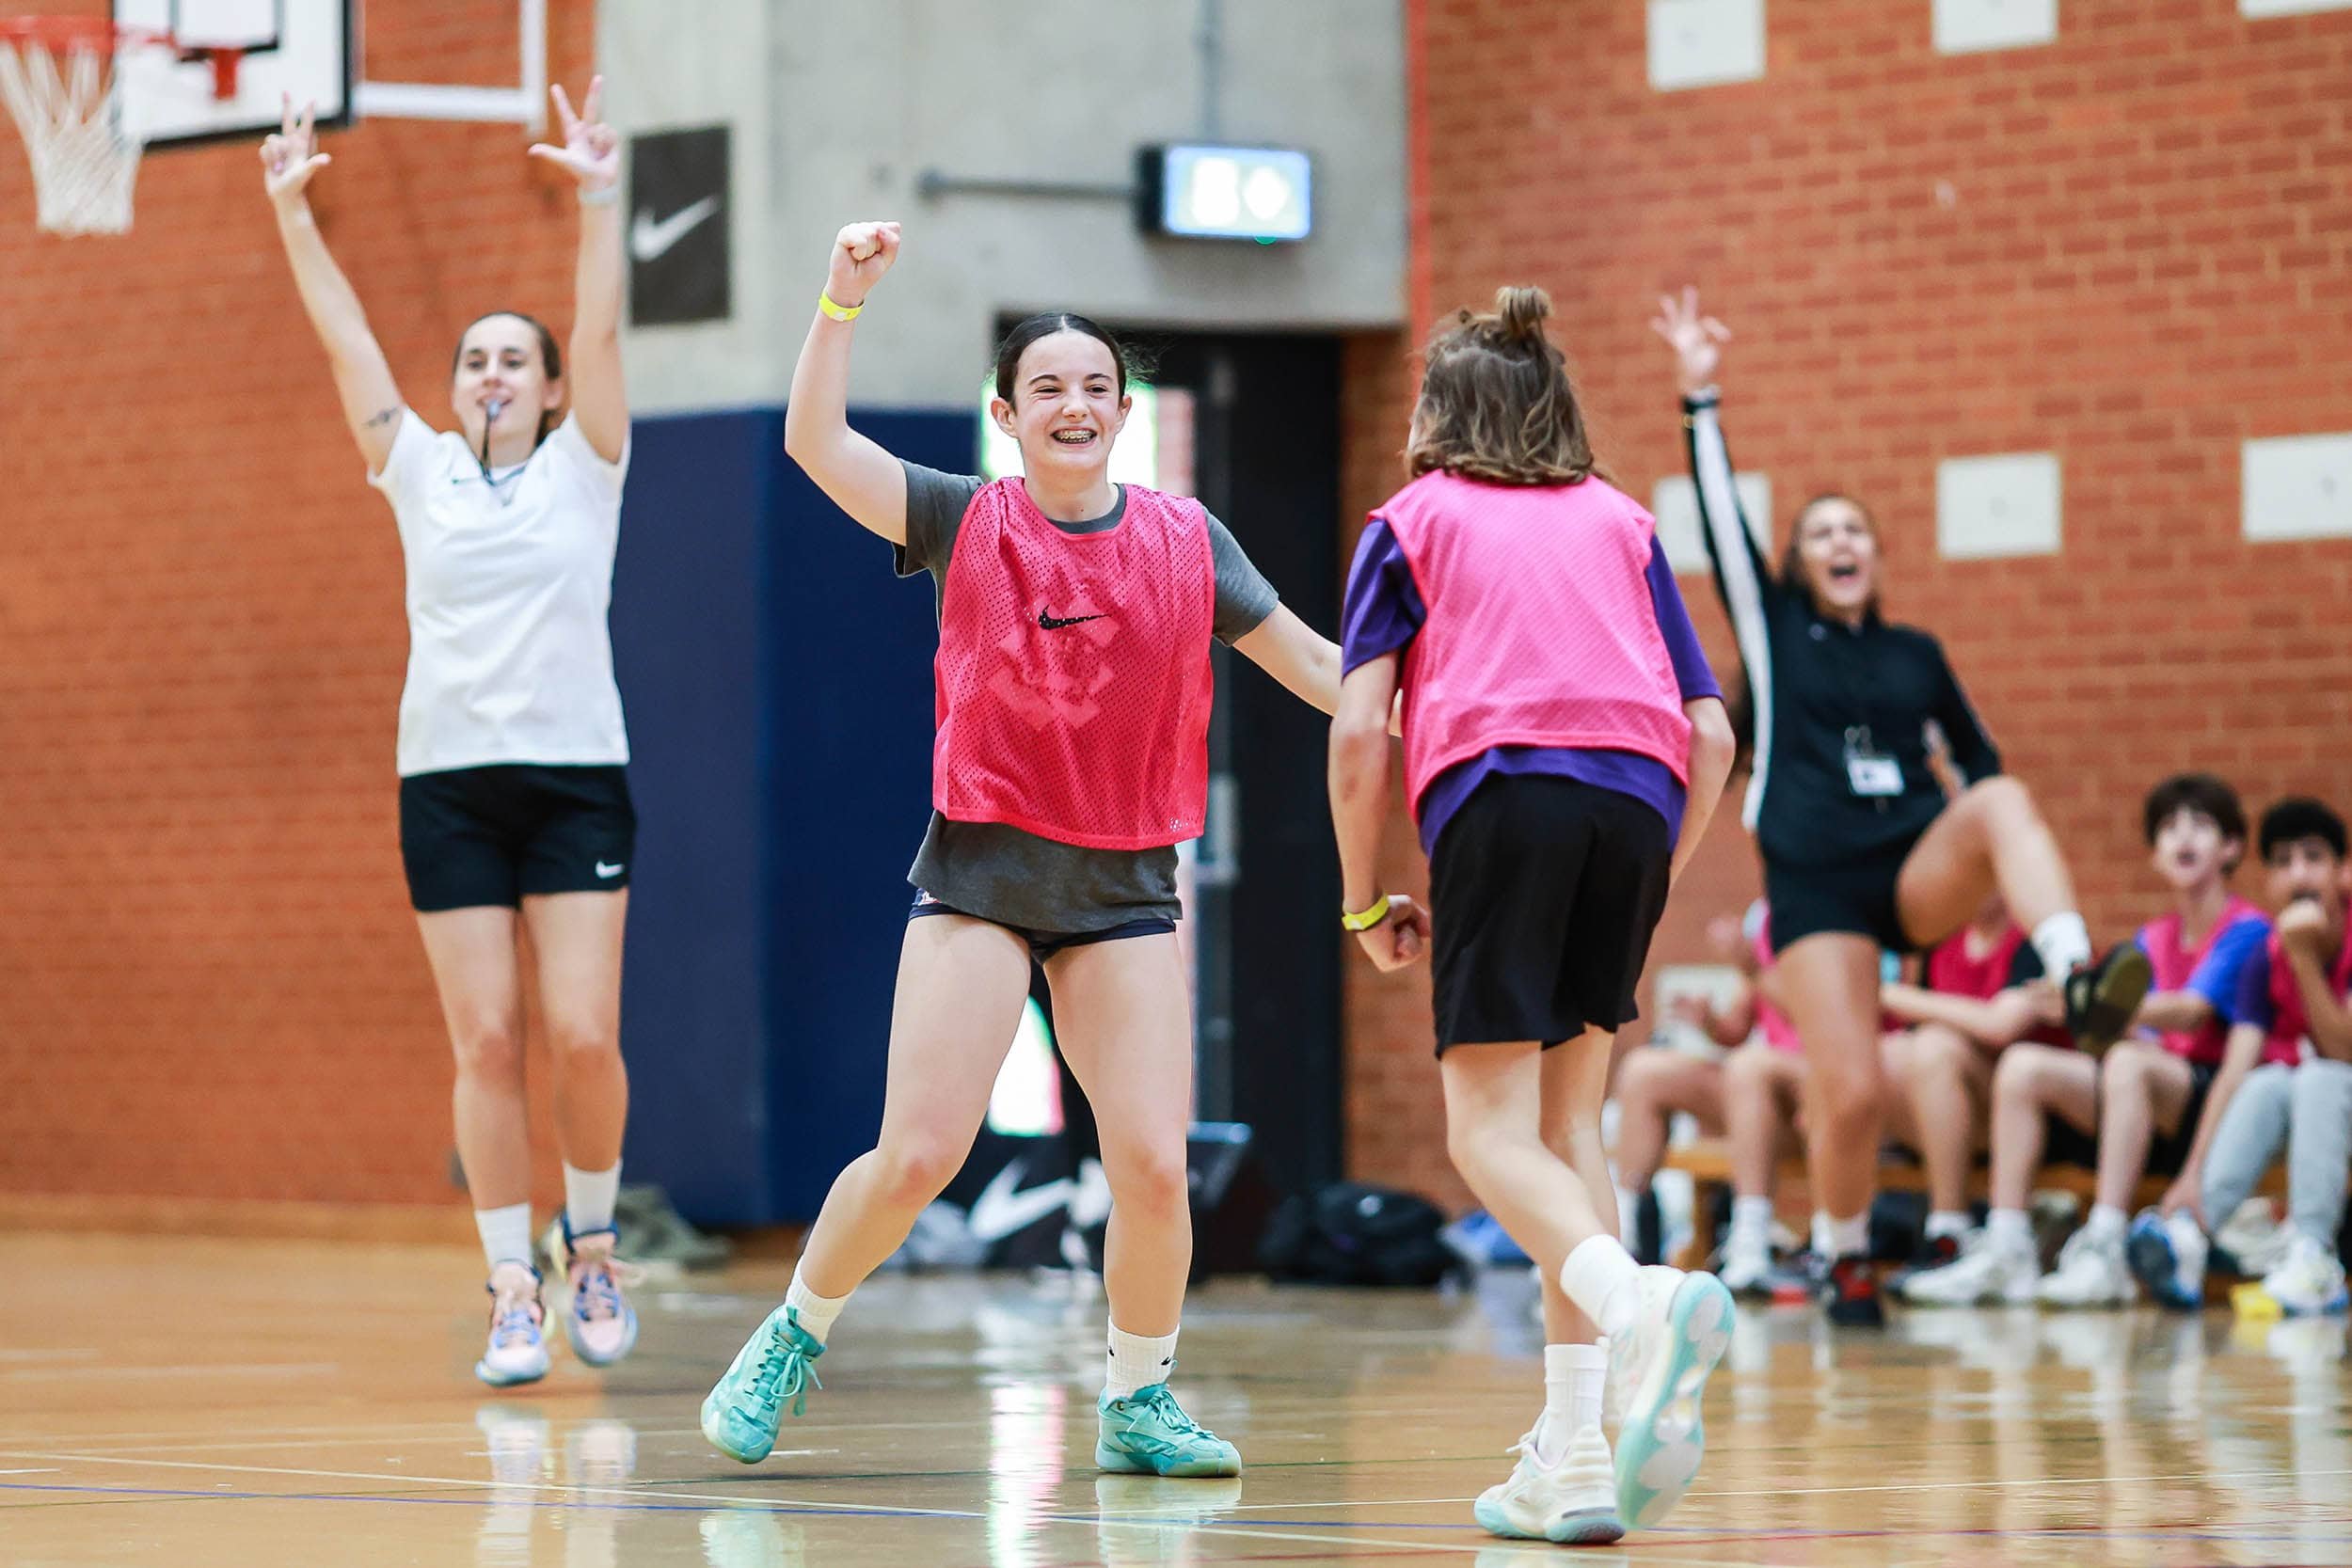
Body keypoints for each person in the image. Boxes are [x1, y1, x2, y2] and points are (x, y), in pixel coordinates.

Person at [702, 222, 1359, 1478]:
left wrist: (1442, 705)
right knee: (918, 1157)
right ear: (1007, 412)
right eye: (1048, 386)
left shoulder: (1188, 540)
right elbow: (812, 444)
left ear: (1123, 410)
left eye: (1098, 386)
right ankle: (793, 1331)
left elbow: (1322, 667)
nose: (1076, 403)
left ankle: (1139, 1396)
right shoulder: (964, 517)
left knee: (1158, 1167)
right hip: (987, 875)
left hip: (1125, 886)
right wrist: (839, 302)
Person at [1653, 288, 2151, 1325]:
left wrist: (1984, 875)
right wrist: (1700, 397)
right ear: (1800, 560)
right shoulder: (1780, 631)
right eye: (1822, 530)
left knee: (2005, 796)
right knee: (1852, 1093)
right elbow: (1723, 532)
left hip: (1909, 870)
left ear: (1875, 557)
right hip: (1816, 888)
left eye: (1857, 531)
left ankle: (2073, 971)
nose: (1841, 542)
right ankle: (1843, 1254)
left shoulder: (1915, 652)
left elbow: (1978, 764)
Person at [1329, 287, 1736, 1544]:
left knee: (1485, 1133)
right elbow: (1713, 732)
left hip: (1504, 791)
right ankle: (1570, 1456)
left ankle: (1637, 1308)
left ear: (1439, 414)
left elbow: (1356, 736)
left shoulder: (1408, 521)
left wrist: (1360, 898)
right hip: (1637, 803)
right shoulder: (1621, 522)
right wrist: (1653, 871)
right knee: (1573, 1128)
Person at [262, 87, 641, 1386]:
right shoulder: (416, 467)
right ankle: (511, 1284)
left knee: (582, 1034)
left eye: (510, 359)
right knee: (484, 1041)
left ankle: (592, 1242)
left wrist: (598, 193)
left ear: (545, 389)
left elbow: (600, 320)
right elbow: (346, 343)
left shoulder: (590, 461)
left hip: (578, 780)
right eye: (472, 357)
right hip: (448, 786)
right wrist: (291, 213)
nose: (490, 372)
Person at [1900, 774, 2267, 1307]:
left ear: (2232, 847)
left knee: (2127, 1063)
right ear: (2155, 854)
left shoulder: (2248, 930)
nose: (2183, 838)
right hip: (2141, 1091)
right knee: (2025, 1066)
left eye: (2201, 826)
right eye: (2168, 828)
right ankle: (2008, 1246)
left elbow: (2191, 1013)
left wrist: (2092, 999)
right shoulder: (2152, 937)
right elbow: (2131, 1028)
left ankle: (2106, 1245)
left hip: (2211, 1101)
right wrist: (2077, 1013)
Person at [2129, 798, 2352, 1316]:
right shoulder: (2263, 954)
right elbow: (2234, 1067)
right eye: (2282, 861)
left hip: (2335, 1091)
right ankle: (2191, 1233)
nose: (2298, 874)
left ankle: (2315, 1255)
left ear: (2341, 871)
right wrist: (2191, 1173)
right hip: (2320, 1114)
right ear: (2268, 880)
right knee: (2265, 1083)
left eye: (2313, 857)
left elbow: (2345, 1052)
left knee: (2319, 1077)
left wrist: (2303, 959)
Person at [1613, 902, 1805, 1291]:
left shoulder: (1847, 905)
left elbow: (1828, 1024)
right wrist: (1710, 1022)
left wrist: (1752, 966)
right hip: (1757, 1087)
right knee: (1644, 1071)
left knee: (1749, 1068)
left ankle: (1751, 1243)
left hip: (1818, 1086)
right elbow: (1739, 1027)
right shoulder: (1765, 914)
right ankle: (1624, 1236)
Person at [1878, 893, 2066, 1275]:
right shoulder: (1941, 946)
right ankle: (1840, 1234)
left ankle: (1950, 1227)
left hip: (2029, 1117)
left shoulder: (2032, 945)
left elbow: (2000, 1026)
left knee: (1935, 1047)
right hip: (1953, 1109)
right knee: (1883, 1055)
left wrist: (1890, 994)